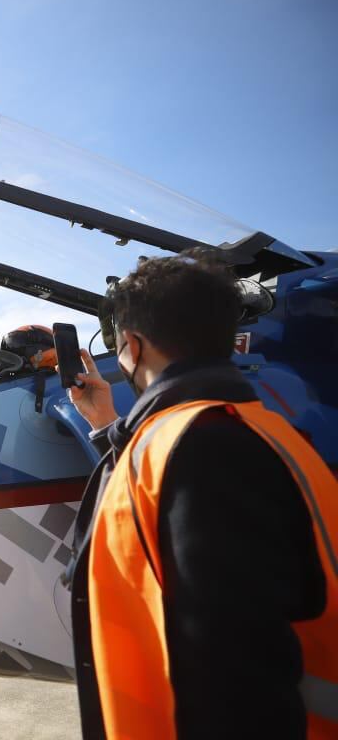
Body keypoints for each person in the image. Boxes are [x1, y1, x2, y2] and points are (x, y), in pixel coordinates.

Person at [62, 253, 336, 739]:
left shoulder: (204, 449)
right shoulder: (254, 430)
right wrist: (106, 424)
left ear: (130, 345)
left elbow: (236, 677)